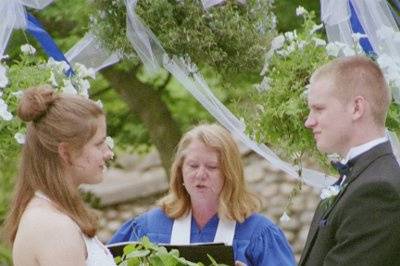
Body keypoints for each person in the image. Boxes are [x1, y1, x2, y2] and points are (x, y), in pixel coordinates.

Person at [109, 123, 295, 266]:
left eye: (212, 167)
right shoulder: (146, 228)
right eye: (193, 166)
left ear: (230, 174)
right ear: (180, 170)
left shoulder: (259, 233)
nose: (200, 175)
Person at [299, 56, 400, 266]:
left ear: (356, 108)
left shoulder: (378, 191)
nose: (309, 121)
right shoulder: (362, 176)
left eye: (319, 109)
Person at [3, 86, 116, 266]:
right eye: (98, 144)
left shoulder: (53, 214)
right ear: (66, 152)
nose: (108, 153)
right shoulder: (53, 226)